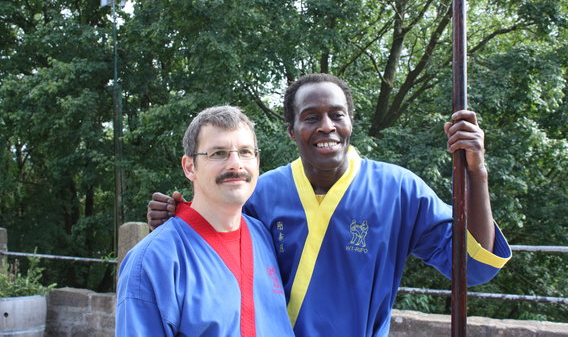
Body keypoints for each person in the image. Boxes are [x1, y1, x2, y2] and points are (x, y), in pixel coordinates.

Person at [148, 74, 512, 336]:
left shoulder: (397, 190)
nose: (326, 126)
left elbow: (474, 265)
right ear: (291, 130)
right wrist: (175, 218)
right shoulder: (260, 192)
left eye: (337, 114)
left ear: (351, 122)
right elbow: (209, 250)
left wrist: (476, 174)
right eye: (310, 117)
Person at [116, 106, 294, 336]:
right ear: (190, 167)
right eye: (218, 153)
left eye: (245, 152)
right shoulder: (153, 261)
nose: (235, 164)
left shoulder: (264, 236)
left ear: (257, 161)